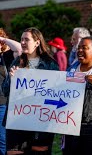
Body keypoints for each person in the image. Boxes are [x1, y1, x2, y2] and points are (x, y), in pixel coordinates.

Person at [2, 27, 59, 155]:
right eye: (21, 39)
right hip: (16, 120)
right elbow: (5, 91)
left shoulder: (50, 64)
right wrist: (11, 79)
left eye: (26, 39)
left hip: (39, 122)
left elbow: (55, 93)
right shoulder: (17, 61)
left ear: (37, 42)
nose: (22, 42)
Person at [63, 36, 92, 155]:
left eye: (84, 48)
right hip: (71, 127)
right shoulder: (71, 70)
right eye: (78, 47)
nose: (79, 50)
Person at [0, 28, 22, 155]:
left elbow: (19, 49)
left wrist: (3, 39)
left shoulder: (6, 57)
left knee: (2, 141)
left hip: (2, 104)